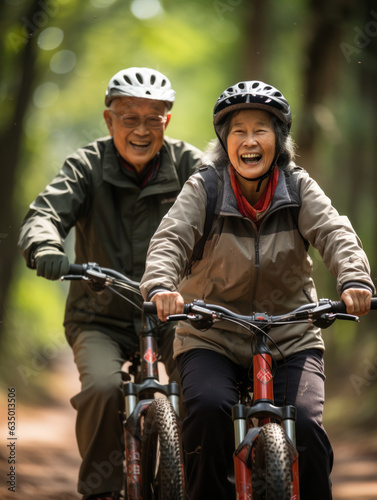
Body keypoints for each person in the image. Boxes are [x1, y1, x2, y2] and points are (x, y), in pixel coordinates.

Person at [140, 80, 375, 500]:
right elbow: (170, 239)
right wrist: (160, 286)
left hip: (290, 334)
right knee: (209, 414)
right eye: (238, 131)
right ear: (224, 141)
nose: (249, 141)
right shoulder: (205, 188)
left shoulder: (298, 187)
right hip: (211, 332)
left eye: (261, 130)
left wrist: (355, 280)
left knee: (306, 428)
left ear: (279, 139)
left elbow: (335, 232)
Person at [18, 67, 202, 500]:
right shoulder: (86, 166)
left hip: (175, 311)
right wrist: (44, 247)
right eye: (128, 117)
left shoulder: (192, 167)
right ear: (108, 120)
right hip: (99, 315)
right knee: (102, 388)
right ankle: (102, 491)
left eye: (152, 118)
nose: (140, 129)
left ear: (167, 122)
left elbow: (231, 206)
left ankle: (202, 484)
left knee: (203, 390)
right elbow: (44, 214)